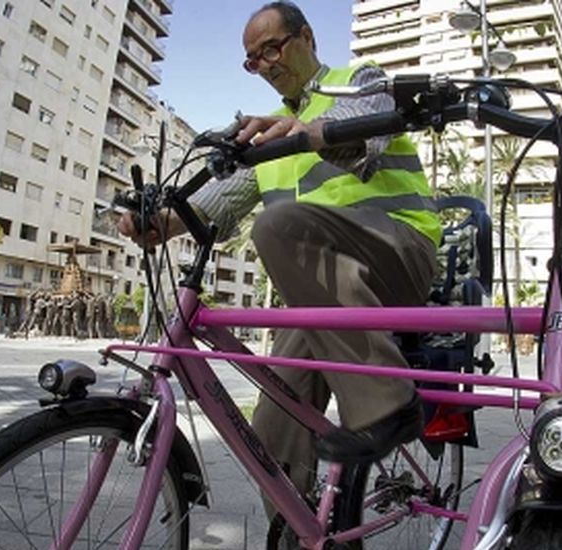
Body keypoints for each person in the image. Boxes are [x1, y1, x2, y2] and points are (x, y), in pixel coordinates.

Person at [117, 1, 440, 505]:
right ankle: (309, 536)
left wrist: (309, 133)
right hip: (325, 295)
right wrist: (154, 221)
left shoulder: (357, 80)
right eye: (253, 59)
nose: (265, 64)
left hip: (399, 254)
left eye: (272, 48)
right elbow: (209, 209)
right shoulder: (267, 137)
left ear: (307, 37)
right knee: (271, 438)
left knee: (278, 222)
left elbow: (368, 126)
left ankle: (388, 405)